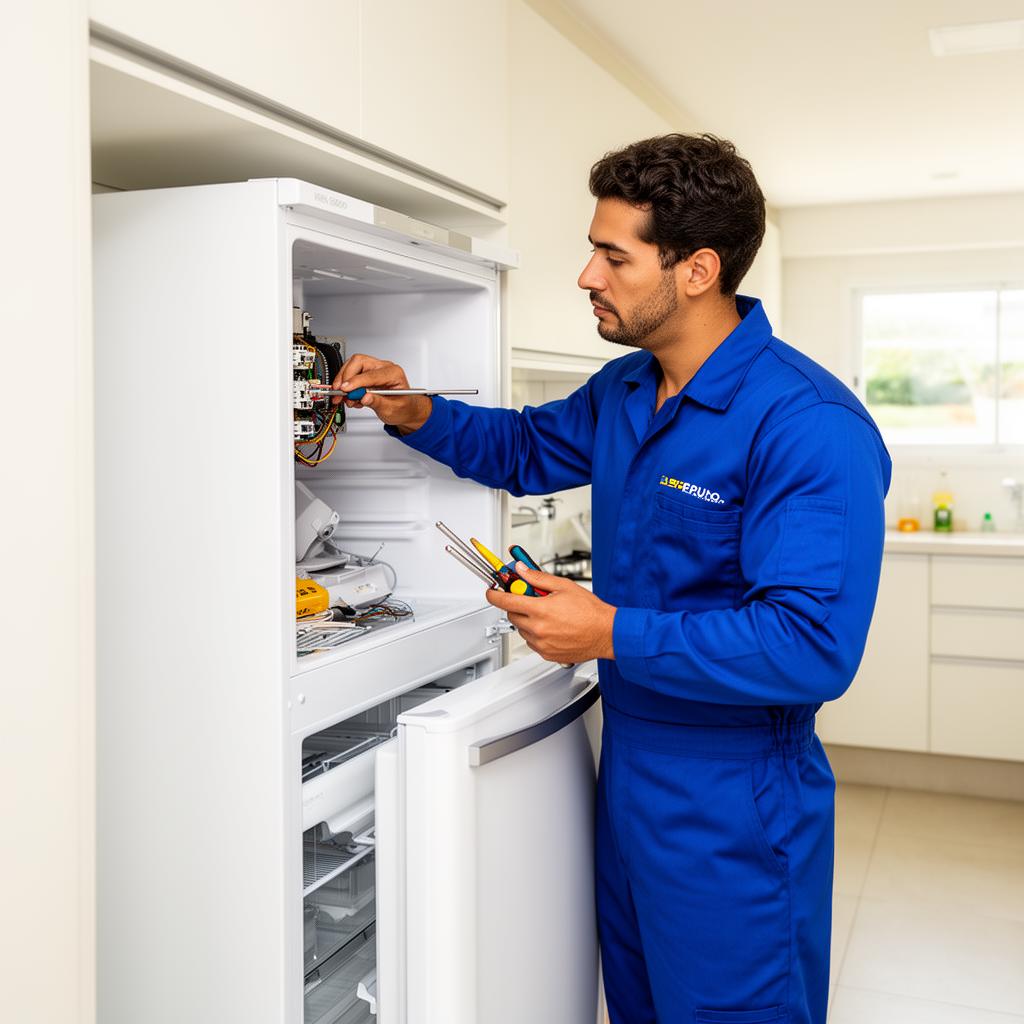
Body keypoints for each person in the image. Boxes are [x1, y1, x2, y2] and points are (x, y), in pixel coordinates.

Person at [331, 133, 891, 1024]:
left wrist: (609, 632)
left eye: (612, 255)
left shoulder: (808, 424)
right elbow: (523, 446)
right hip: (628, 772)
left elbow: (811, 645)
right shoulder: (628, 389)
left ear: (698, 269)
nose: (588, 275)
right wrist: (416, 411)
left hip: (735, 800)